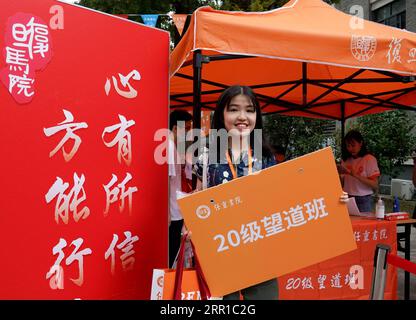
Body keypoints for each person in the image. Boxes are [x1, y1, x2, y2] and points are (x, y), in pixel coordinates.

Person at [193, 85, 279, 300]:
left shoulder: (266, 157)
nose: (242, 117)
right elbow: (198, 196)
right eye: (233, 109)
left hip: (260, 249)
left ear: (256, 116)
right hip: (220, 251)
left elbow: (280, 199)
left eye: (249, 110)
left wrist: (333, 199)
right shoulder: (205, 156)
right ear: (221, 114)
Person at [168, 110, 193, 268]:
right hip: (172, 210)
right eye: (187, 128)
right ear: (176, 128)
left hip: (176, 207)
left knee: (176, 252)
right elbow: (165, 180)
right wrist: (167, 213)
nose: (190, 133)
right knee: (172, 253)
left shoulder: (175, 146)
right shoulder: (169, 146)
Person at [340, 130, 380, 213]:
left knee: (363, 225)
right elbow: (343, 183)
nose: (350, 148)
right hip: (347, 197)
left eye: (353, 145)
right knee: (349, 225)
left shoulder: (369, 159)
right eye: (348, 146)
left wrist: (355, 175)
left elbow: (375, 185)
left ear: (361, 143)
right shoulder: (346, 160)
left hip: (363, 199)